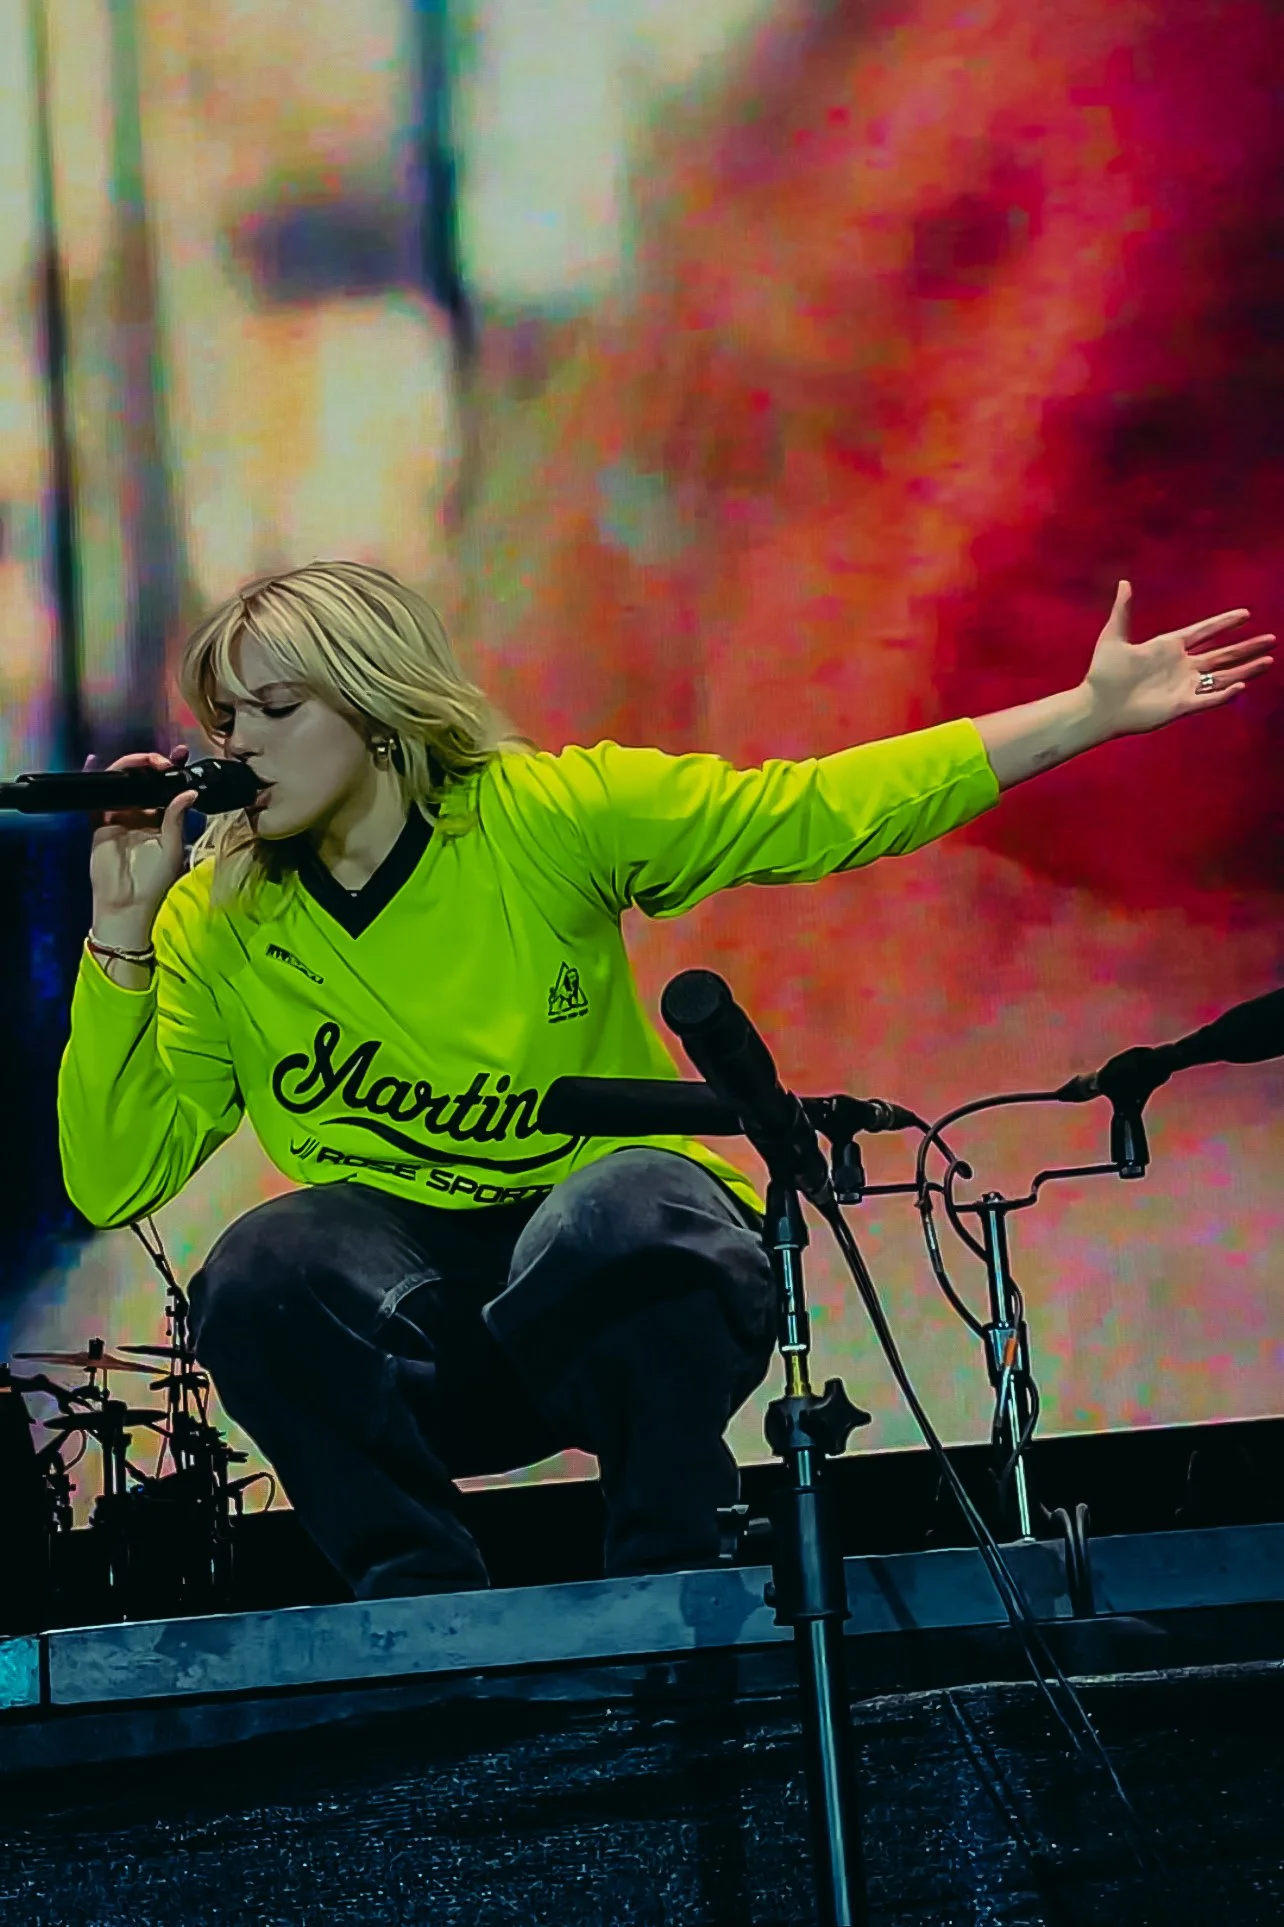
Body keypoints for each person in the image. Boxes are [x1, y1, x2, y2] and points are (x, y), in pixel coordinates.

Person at [56, 562, 1273, 1600]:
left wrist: (1088, 713)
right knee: (266, 1262)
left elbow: (814, 808)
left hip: (622, 1297)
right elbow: (117, 1181)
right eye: (226, 720)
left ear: (378, 710)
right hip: (429, 1344)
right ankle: (419, 1613)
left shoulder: (542, 813)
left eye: (275, 708)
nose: (238, 747)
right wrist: (120, 934)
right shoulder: (215, 916)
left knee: (627, 1204)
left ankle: (667, 1580)